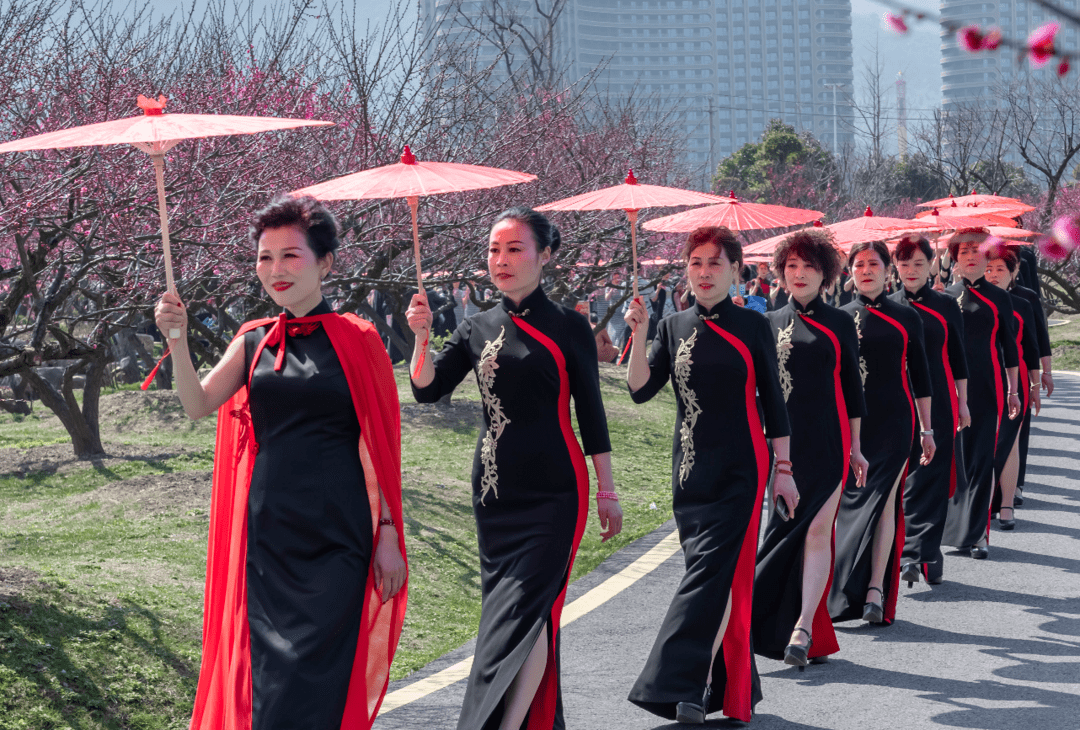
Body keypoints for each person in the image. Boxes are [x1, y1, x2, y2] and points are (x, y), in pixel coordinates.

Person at [155, 194, 408, 730]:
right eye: (265, 258)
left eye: (291, 256)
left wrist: (387, 531)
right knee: (270, 679)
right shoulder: (251, 341)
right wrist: (177, 339)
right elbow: (197, 404)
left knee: (322, 677)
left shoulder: (359, 339)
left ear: (326, 263)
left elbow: (382, 449)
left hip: (340, 533)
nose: (275, 270)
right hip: (268, 533)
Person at [406, 207, 622, 730]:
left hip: (555, 491)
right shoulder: (476, 326)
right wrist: (419, 337)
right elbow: (428, 390)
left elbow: (590, 413)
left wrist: (607, 490)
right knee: (507, 617)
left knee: (531, 610)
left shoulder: (571, 325)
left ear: (545, 255)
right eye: (493, 250)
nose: (500, 260)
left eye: (514, 249)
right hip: (495, 492)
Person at [624, 227, 795, 724]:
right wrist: (639, 334)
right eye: (695, 262)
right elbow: (639, 390)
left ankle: (686, 686)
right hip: (689, 471)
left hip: (742, 470)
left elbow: (775, 407)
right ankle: (730, 685)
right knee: (711, 578)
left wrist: (783, 470)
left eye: (714, 263)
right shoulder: (672, 325)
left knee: (711, 577)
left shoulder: (753, 326)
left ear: (736, 271)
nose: (703, 272)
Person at [752, 227, 869, 669]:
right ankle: (764, 621)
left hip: (829, 439)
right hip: (782, 445)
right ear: (780, 273)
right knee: (781, 533)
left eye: (809, 267)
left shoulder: (841, 322)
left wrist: (856, 448)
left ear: (826, 274)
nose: (799, 274)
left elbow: (853, 390)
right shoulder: (766, 324)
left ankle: (803, 628)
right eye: (792, 266)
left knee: (819, 529)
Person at [829, 241, 934, 627]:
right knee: (851, 507)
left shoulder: (907, 317)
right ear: (849, 271)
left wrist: (927, 429)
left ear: (887, 270)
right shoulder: (839, 318)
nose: (866, 270)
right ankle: (841, 587)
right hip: (849, 425)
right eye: (858, 264)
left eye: (874, 263)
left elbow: (921, 378)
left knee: (885, 501)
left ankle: (875, 588)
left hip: (894, 423)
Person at [891, 235, 971, 586]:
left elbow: (958, 358)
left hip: (939, 399)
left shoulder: (946, 305)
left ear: (931, 266)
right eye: (904, 263)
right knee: (903, 477)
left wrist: (963, 402)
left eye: (919, 264)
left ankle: (925, 550)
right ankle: (910, 551)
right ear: (895, 266)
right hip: (894, 401)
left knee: (933, 475)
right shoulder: (885, 305)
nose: (911, 270)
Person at [942, 228, 1021, 560]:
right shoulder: (944, 296)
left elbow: (1009, 349)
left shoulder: (1000, 298)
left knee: (980, 461)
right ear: (955, 259)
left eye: (976, 250)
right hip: (948, 392)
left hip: (988, 390)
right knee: (953, 464)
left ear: (988, 255)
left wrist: (1014, 390)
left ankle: (978, 535)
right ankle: (951, 531)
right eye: (963, 252)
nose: (970, 256)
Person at [985, 248, 1041, 530]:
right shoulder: (970, 302)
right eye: (988, 270)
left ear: (1013, 273)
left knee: (1009, 442)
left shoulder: (1023, 304)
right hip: (980, 377)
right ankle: (983, 506)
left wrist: (1034, 383)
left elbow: (1031, 348)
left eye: (1000, 271)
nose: (993, 276)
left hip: (1012, 379)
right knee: (983, 445)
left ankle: (1006, 504)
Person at [1009, 256, 1053, 506]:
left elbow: (1038, 339)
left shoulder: (1027, 297)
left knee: (1018, 431)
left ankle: (1015, 484)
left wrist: (1044, 374)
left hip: (1022, 370)